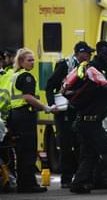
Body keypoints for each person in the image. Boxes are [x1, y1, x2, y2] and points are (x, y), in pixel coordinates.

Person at [45, 41, 95, 188]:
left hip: (78, 110)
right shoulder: (65, 65)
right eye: (88, 53)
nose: (90, 56)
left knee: (80, 144)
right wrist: (51, 104)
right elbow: (50, 85)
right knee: (66, 146)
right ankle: (66, 178)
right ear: (80, 53)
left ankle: (80, 177)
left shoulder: (87, 67)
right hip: (64, 112)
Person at [10, 48, 57, 193]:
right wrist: (46, 108)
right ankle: (28, 185)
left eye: (33, 59)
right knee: (28, 152)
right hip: (25, 117)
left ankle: (23, 183)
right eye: (29, 60)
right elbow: (28, 97)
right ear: (21, 62)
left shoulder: (16, 74)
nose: (33, 62)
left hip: (17, 116)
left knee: (22, 151)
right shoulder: (26, 77)